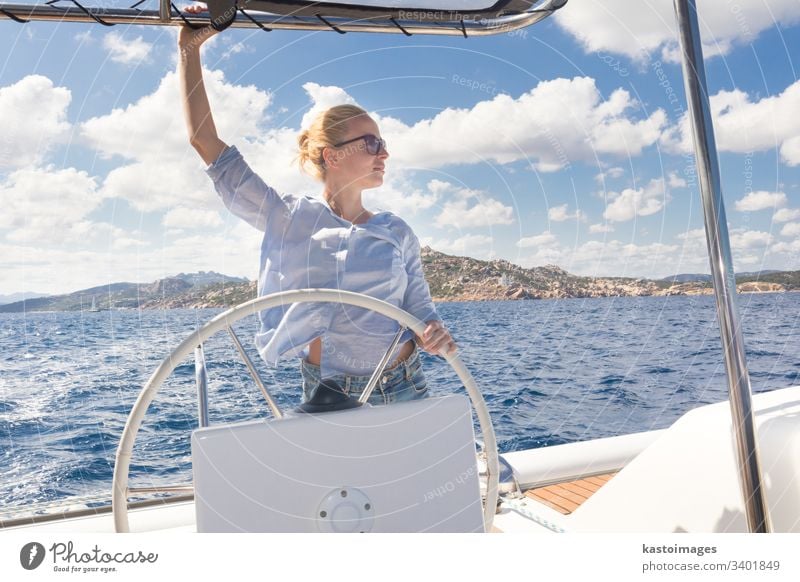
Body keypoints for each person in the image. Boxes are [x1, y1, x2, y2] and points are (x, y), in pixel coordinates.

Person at [177, 4, 456, 406]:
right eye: (372, 143)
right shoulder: (289, 218)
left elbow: (419, 308)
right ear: (333, 155)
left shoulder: (397, 230)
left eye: (384, 144)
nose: (384, 154)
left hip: (406, 383)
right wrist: (189, 50)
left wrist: (434, 330)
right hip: (331, 392)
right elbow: (206, 143)